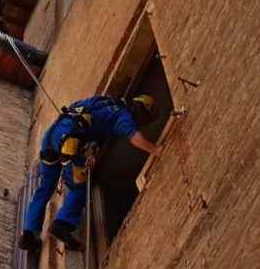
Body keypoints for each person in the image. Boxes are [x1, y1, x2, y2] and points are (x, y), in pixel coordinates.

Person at [19, 94, 162, 251]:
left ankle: (28, 234)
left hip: (52, 136)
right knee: (79, 187)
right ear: (140, 110)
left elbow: (83, 111)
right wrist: (155, 150)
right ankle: (62, 224)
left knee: (45, 186)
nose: (141, 123)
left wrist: (91, 151)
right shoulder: (123, 115)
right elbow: (134, 136)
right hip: (69, 141)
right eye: (145, 118)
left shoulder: (107, 101)